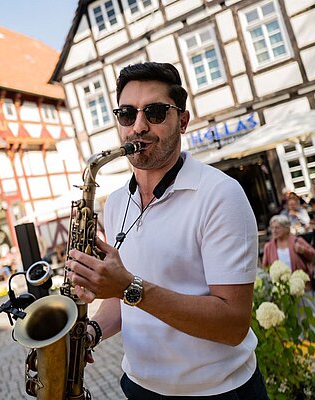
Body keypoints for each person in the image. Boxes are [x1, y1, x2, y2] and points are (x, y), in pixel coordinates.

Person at [65, 62, 268, 399]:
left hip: (218, 391)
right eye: (127, 114)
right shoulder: (115, 203)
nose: (138, 126)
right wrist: (93, 331)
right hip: (140, 387)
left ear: (183, 121)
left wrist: (128, 286)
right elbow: (121, 299)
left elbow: (233, 325)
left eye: (155, 112)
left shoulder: (220, 194)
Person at [261, 215, 315, 344]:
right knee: (293, 315)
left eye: (277, 227)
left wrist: (302, 250)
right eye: (272, 228)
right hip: (283, 289)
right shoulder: (269, 246)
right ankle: (300, 340)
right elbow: (265, 267)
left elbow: (313, 255)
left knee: (310, 312)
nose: (274, 230)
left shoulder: (297, 241)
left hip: (302, 286)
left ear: (286, 228)